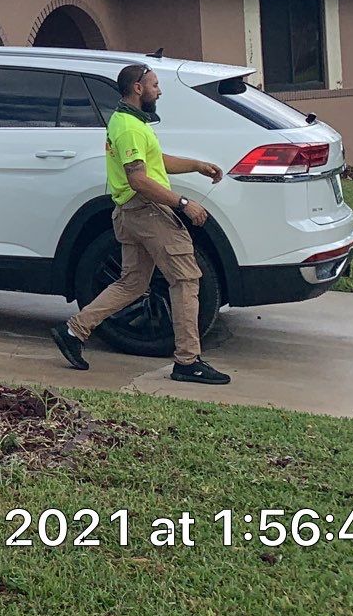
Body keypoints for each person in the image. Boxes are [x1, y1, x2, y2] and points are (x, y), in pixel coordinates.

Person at [50, 62, 232, 385]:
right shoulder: (131, 128)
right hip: (146, 211)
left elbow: (154, 162)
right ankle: (188, 361)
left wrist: (196, 165)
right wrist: (184, 204)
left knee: (132, 283)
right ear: (138, 88)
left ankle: (73, 332)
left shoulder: (128, 121)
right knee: (187, 278)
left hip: (127, 214)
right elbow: (139, 180)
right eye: (155, 85)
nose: (158, 91)